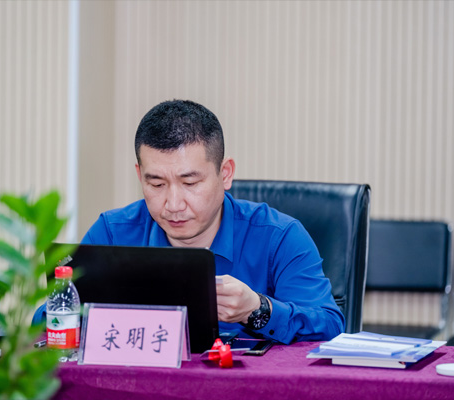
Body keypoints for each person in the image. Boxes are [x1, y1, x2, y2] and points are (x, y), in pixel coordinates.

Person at [81, 99, 344, 344]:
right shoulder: (112, 234)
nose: (174, 204)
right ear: (140, 176)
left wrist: (257, 310)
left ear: (225, 173)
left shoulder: (279, 236)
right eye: (157, 184)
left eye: (190, 183)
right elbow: (60, 318)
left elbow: (330, 328)